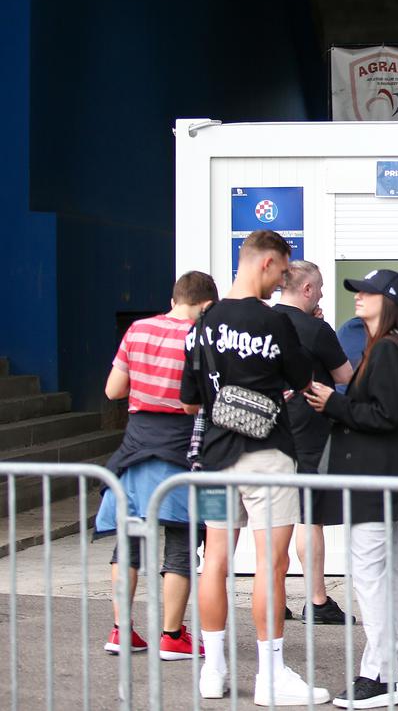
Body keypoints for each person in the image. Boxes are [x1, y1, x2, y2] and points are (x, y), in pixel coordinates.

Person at [180, 229, 329, 705]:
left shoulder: (203, 323)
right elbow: (303, 380)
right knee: (272, 563)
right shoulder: (273, 322)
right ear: (266, 263)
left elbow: (188, 403)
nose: (282, 282)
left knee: (215, 561)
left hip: (215, 456)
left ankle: (213, 670)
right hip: (268, 452)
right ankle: (270, 675)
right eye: (282, 271)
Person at [304, 269, 398, 707]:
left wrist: (335, 403)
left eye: (367, 292)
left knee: (373, 579)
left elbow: (384, 415)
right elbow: (381, 411)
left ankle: (379, 676)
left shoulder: (388, 349)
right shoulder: (388, 346)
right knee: (385, 576)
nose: (358, 298)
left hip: (374, 483)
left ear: (387, 302)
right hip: (378, 482)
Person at [96, 271, 217, 660]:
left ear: (174, 297)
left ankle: (120, 631)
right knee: (181, 543)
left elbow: (113, 390)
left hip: (134, 446)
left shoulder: (137, 330)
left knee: (127, 543)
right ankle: (171, 636)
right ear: (206, 305)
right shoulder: (198, 337)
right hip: (179, 447)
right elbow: (193, 403)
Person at [273, 260, 354, 624]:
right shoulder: (316, 330)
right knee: (309, 518)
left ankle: (273, 598)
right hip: (310, 432)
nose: (321, 293)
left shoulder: (264, 322)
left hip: (268, 431)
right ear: (307, 289)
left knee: (273, 519)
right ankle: (318, 601)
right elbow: (345, 376)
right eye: (319, 288)